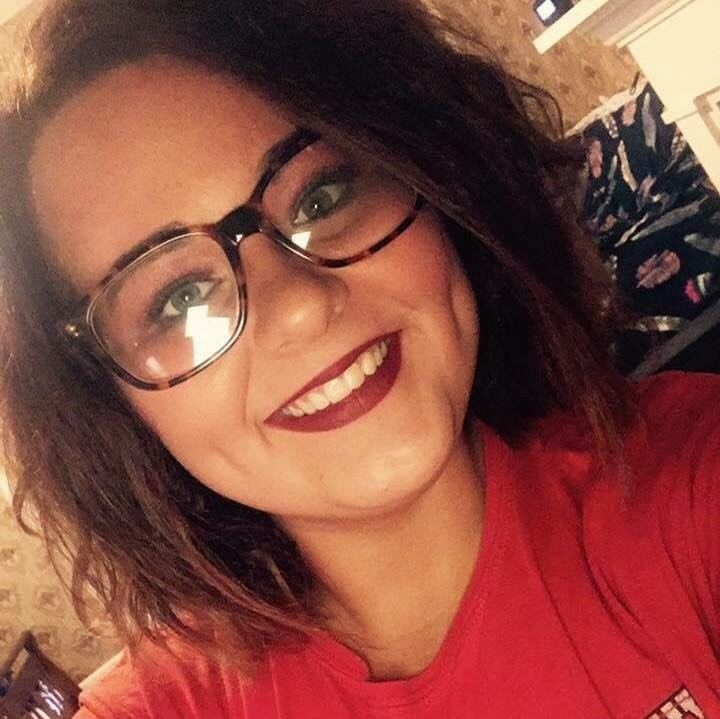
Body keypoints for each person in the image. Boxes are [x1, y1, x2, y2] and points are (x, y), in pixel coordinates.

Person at [0, 1, 717, 717]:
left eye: (321, 196)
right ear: (107, 404)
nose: (299, 305)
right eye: (177, 298)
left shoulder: (686, 488)